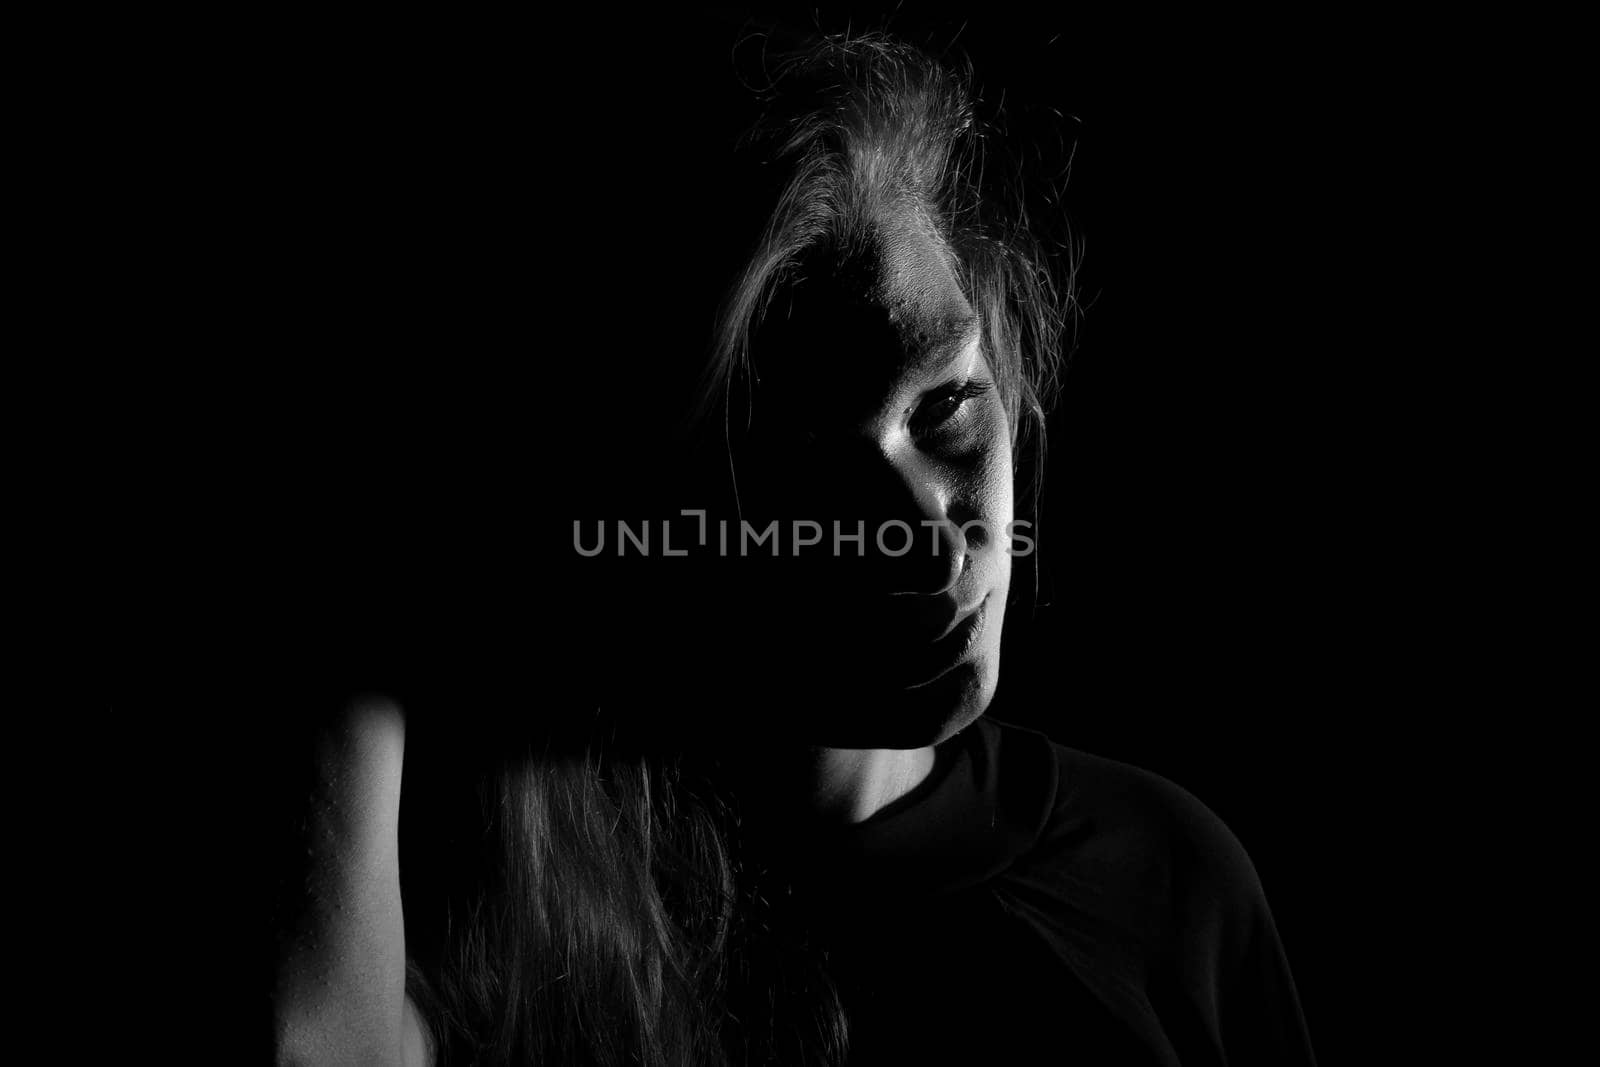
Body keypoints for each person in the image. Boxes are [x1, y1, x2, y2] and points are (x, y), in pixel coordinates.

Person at [271, 28, 1316, 1067]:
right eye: (805, 474)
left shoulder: (1158, 877)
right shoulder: (504, 912)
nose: (921, 534)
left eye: (947, 401)